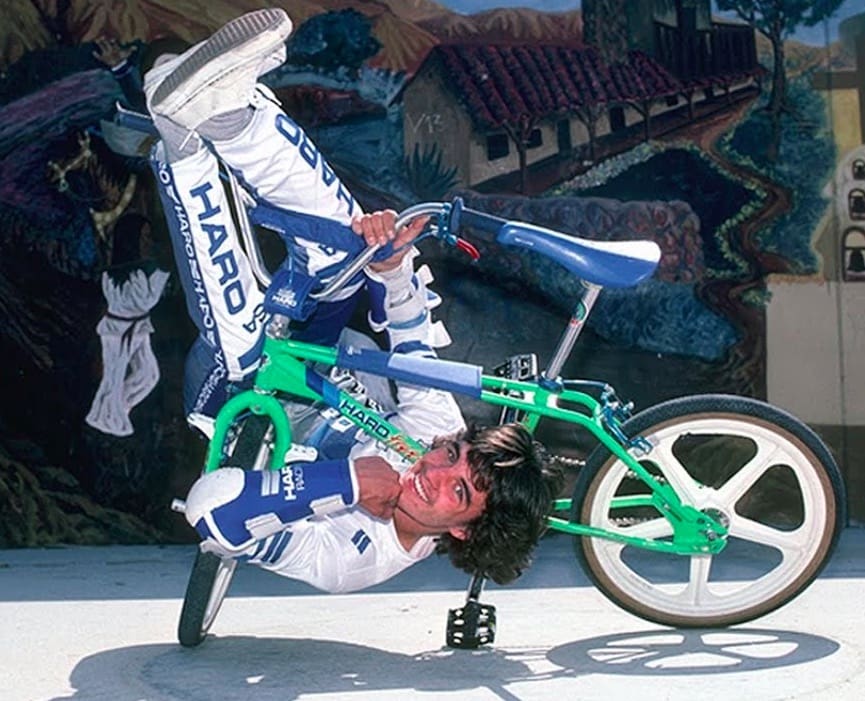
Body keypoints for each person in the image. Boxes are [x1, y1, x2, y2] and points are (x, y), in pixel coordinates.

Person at [145, 8, 562, 593]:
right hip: (311, 364)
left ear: (465, 530)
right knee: (351, 246)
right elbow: (412, 343)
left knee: (244, 350)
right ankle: (229, 117)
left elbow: (210, 510)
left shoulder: (353, 562)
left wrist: (344, 483)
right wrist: (392, 271)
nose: (434, 469)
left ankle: (179, 139)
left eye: (459, 491)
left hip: (234, 405)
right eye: (451, 457)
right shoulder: (436, 430)